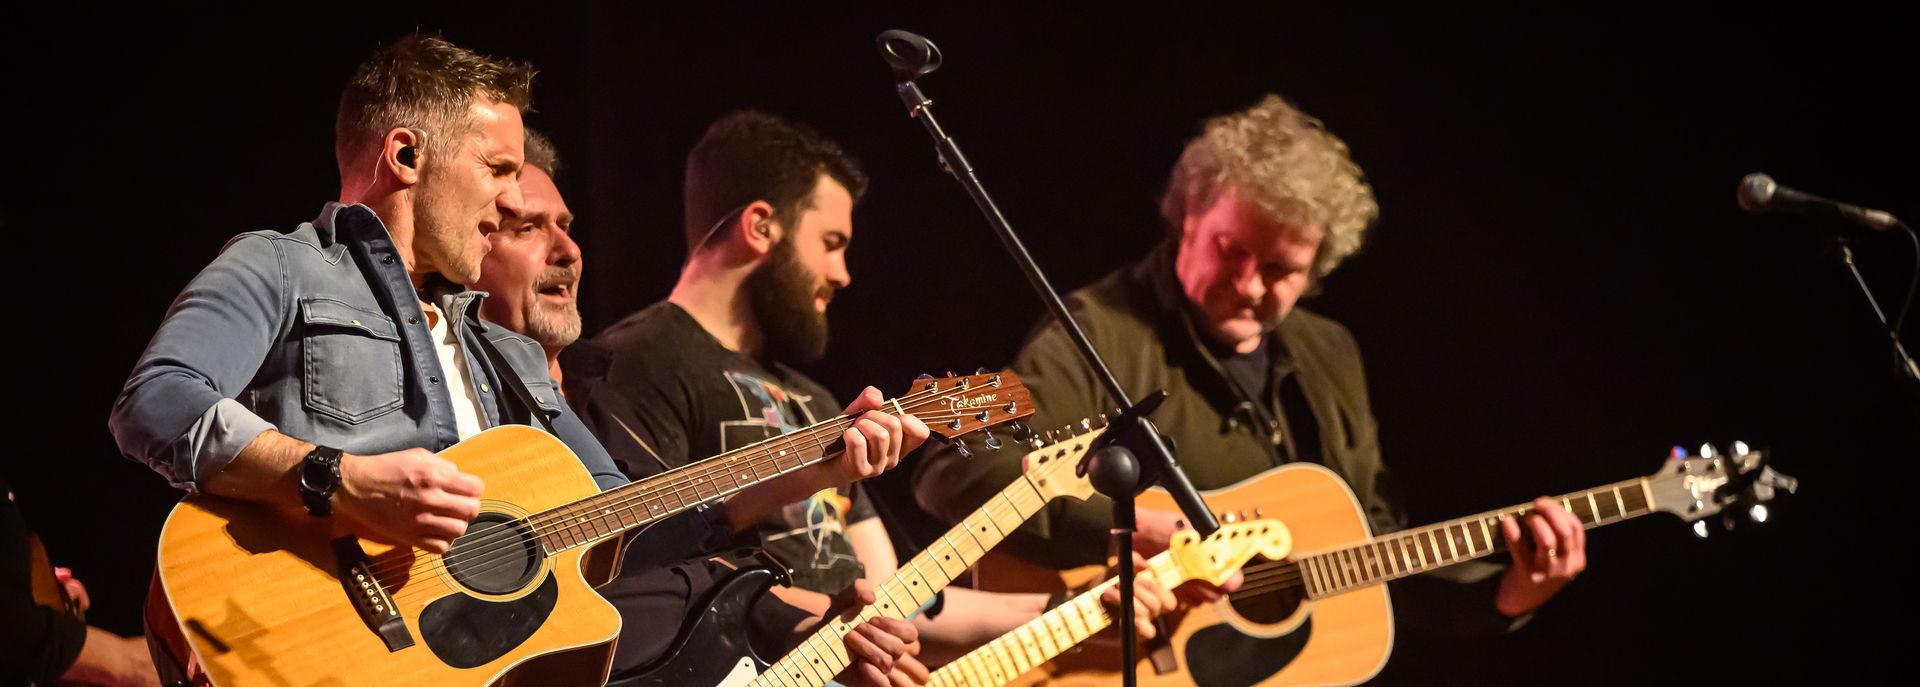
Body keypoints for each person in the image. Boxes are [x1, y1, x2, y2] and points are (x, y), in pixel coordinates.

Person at [107, 35, 915, 686]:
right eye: (496, 170)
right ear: (406, 155)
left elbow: (626, 522)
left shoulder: (508, 355)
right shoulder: (284, 266)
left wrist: (810, 467)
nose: (508, 197)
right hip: (307, 643)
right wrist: (343, 480)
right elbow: (156, 401)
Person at [913, 94, 1587, 635]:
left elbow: (1367, 552)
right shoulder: (1095, 328)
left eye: (1280, 269)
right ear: (1187, 217)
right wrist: (1122, 530)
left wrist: (1504, 596)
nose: (1247, 284)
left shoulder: (1331, 354)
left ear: (1317, 268)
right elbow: (953, 460)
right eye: (1229, 249)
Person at [565, 111, 1174, 676]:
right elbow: (647, 568)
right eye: (831, 242)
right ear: (760, 226)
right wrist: (828, 628)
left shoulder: (816, 401)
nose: (843, 273)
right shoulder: (636, 361)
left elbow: (897, 599)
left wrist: (1073, 604)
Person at [475, 127, 930, 684]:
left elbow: (679, 564)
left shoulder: (597, 396)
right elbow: (625, 587)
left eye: (567, 227)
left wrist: (810, 633)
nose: (569, 251)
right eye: (527, 228)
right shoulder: (625, 367)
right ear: (473, 244)